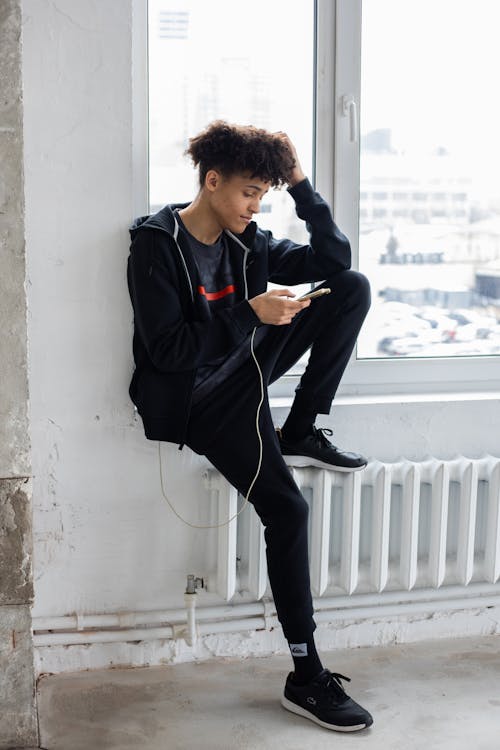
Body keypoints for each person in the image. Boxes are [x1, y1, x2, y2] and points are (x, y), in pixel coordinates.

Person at [127, 120, 373, 732]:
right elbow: (167, 351)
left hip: (250, 372)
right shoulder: (156, 245)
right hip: (203, 402)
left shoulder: (251, 241)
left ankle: (302, 427)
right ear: (211, 182)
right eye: (248, 193)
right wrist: (250, 312)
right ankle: (306, 674)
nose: (255, 206)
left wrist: (299, 182)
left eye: (264, 194)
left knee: (350, 287)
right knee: (287, 512)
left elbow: (336, 259)